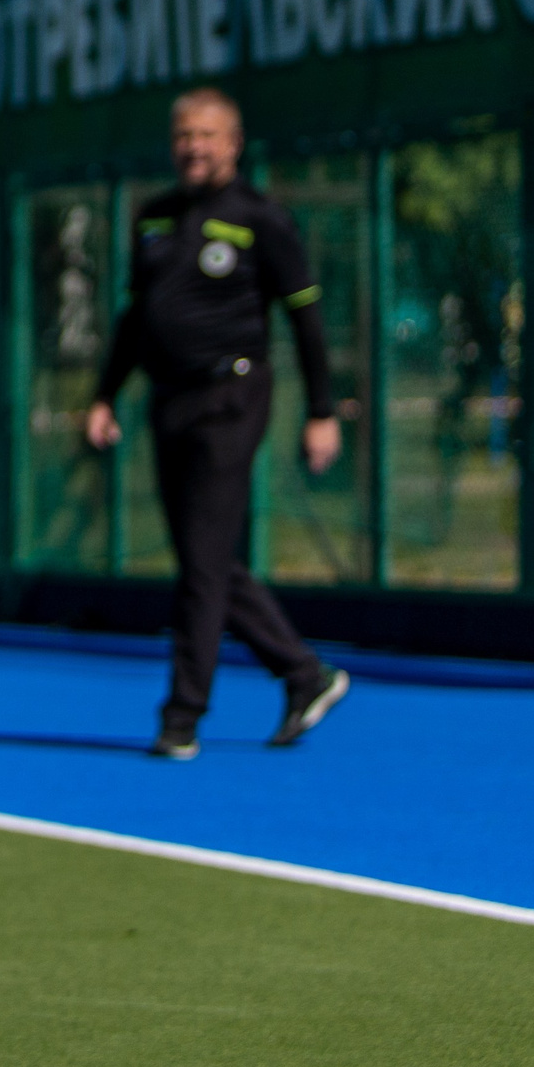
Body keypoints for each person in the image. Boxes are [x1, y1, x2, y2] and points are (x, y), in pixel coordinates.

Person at [84, 87, 351, 760]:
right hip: (166, 401)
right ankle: (303, 673)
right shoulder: (153, 218)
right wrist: (104, 395)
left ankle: (182, 716)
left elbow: (306, 320)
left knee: (201, 562)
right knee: (205, 559)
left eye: (208, 135)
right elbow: (133, 320)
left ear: (233, 144)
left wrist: (322, 411)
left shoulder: (261, 219)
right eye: (184, 136)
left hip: (232, 399)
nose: (195, 147)